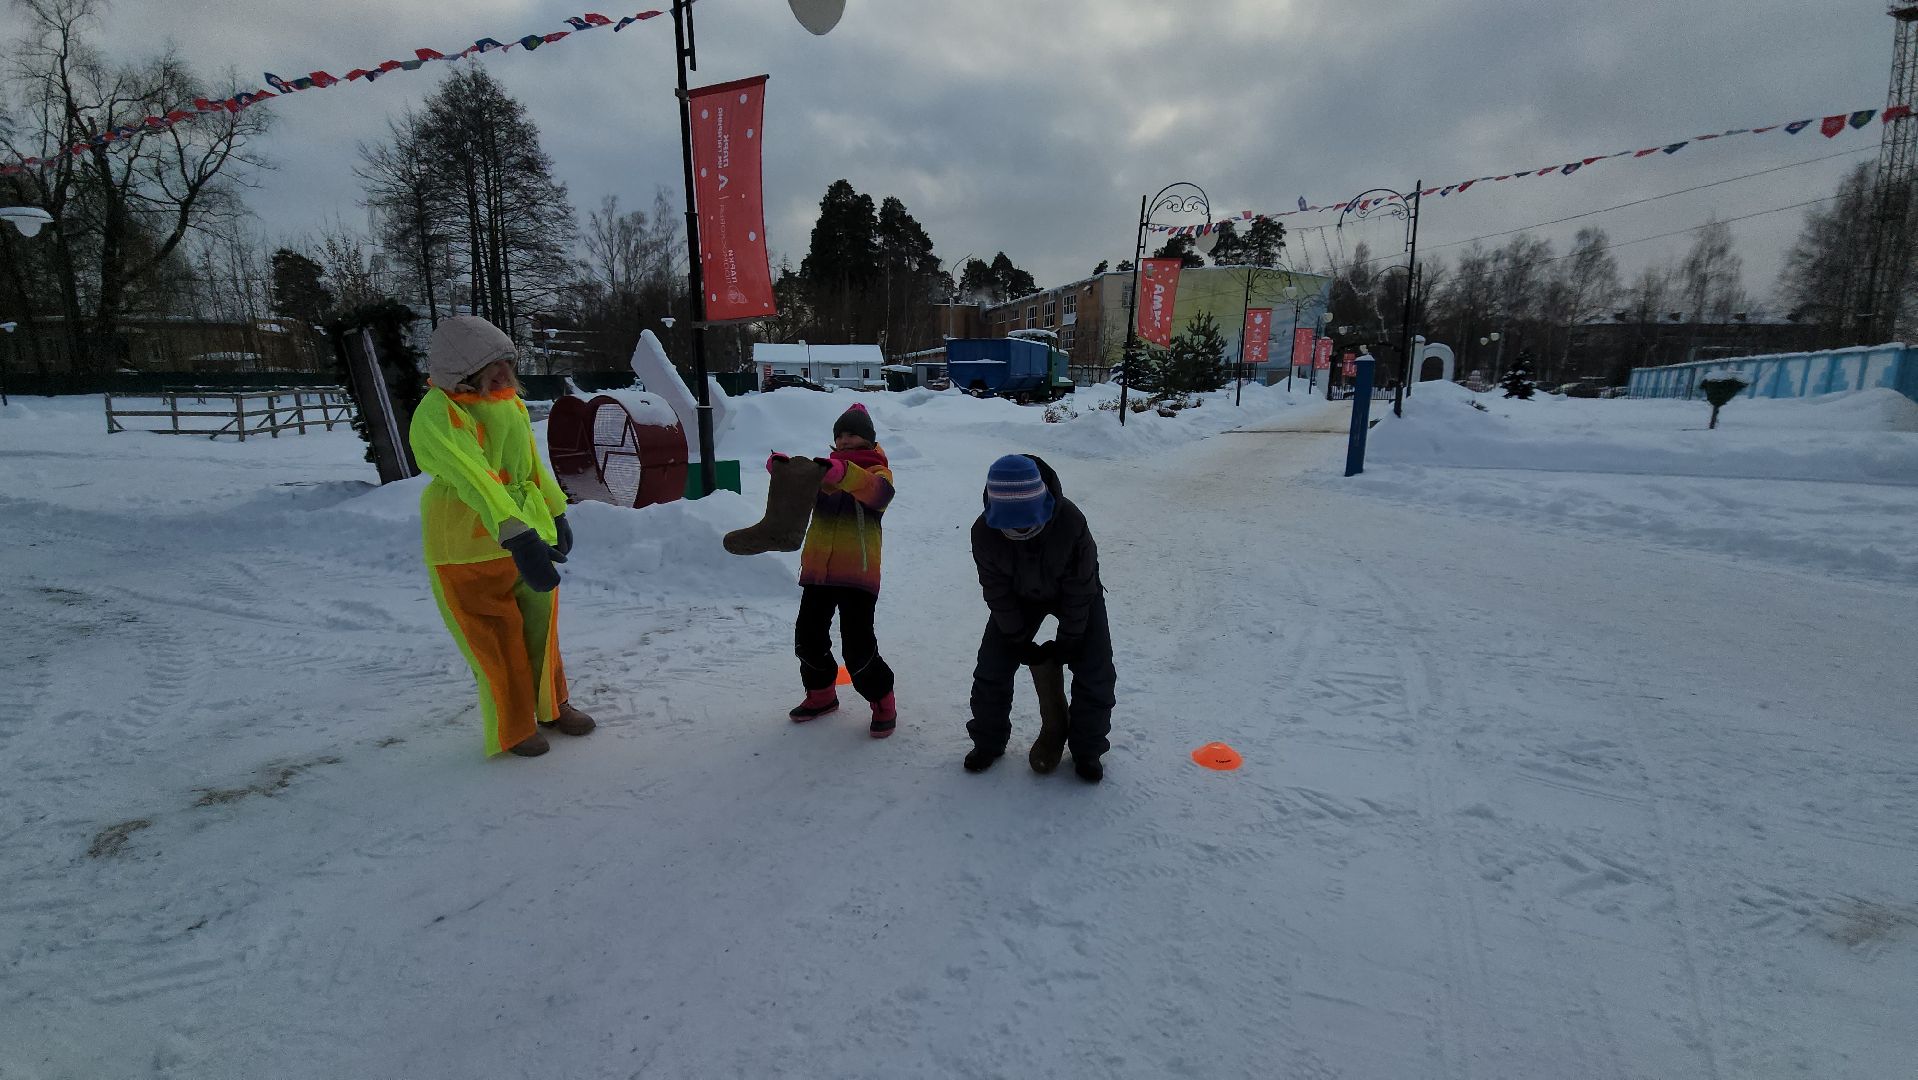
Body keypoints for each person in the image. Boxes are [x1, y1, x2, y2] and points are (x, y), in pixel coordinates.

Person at [409, 315, 594, 758]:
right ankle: (513, 726)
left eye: (505, 361)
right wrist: (516, 533)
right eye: (489, 363)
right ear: (461, 368)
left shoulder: (508, 404)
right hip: (466, 543)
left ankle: (553, 706)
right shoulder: (440, 412)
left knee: (540, 629)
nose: (502, 371)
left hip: (526, 534)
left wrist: (555, 512)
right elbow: (475, 478)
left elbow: (531, 465)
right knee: (494, 638)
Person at [965, 454, 1114, 782]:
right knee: (991, 667)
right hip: (1018, 597)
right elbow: (997, 593)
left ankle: (1087, 750)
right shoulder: (983, 532)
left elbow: (1080, 588)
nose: (1020, 530)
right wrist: (1017, 640)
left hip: (1074, 595)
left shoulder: (1071, 523)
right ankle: (988, 742)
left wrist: (1070, 640)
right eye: (1010, 525)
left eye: (1028, 522)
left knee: (1095, 670)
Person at [781, 403, 898, 737]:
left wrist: (842, 474)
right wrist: (786, 472)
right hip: (819, 569)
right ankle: (821, 695)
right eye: (840, 435)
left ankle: (882, 699)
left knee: (858, 648)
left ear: (867, 438)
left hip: (856, 574)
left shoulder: (878, 470)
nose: (845, 440)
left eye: (852, 433)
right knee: (807, 638)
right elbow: (799, 498)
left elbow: (879, 496)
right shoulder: (825, 470)